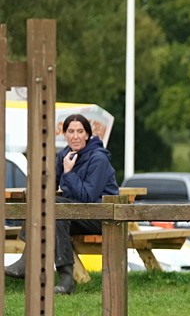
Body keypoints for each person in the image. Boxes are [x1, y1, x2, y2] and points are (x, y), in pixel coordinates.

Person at [4, 114, 119, 294]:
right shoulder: (65, 154)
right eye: (71, 131)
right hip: (71, 214)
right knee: (48, 207)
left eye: (80, 131)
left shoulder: (98, 159)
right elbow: (50, 185)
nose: (75, 136)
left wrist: (69, 172)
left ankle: (30, 265)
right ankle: (65, 279)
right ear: (65, 134)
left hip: (100, 216)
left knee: (55, 207)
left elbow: (87, 198)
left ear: (87, 135)